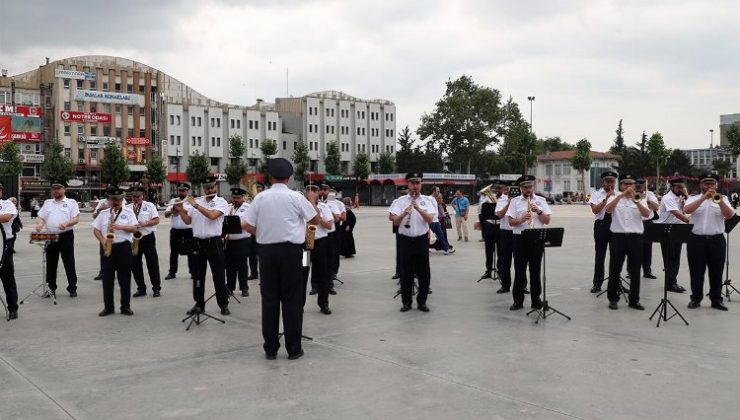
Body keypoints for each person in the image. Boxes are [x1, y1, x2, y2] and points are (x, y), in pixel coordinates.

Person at [245, 158, 320, 360]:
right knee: (292, 300)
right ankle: (294, 349)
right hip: (292, 253)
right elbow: (315, 220)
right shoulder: (296, 197)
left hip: (267, 253)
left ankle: (270, 348)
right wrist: (311, 201)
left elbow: (246, 225)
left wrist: (263, 232)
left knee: (269, 300)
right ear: (288, 177)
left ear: (270, 177)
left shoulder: (260, 198)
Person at [177, 176, 231, 316]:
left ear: (215, 187)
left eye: (212, 187)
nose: (209, 190)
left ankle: (223, 304)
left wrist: (195, 205)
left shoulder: (221, 202)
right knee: (198, 276)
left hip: (214, 242)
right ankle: (199, 304)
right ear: (203, 188)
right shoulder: (198, 201)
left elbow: (212, 215)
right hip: (197, 243)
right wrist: (181, 209)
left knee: (218, 275)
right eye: (207, 188)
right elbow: (188, 221)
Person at [684, 173, 736, 311]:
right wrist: (703, 198)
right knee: (696, 271)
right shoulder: (693, 198)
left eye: (711, 183)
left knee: (716, 272)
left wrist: (718, 201)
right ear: (701, 185)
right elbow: (687, 210)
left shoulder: (723, 198)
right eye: (706, 183)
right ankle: (695, 298)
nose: (708, 186)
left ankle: (716, 300)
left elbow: (730, 215)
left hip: (716, 240)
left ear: (716, 185)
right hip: (696, 239)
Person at [389, 172, 438, 312]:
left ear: (421, 185)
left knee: (424, 273)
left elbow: (430, 220)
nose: (415, 186)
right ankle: (406, 302)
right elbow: (395, 221)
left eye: (417, 183)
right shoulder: (400, 201)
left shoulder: (428, 201)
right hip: (405, 240)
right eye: (412, 183)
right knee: (406, 273)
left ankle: (422, 302)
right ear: (408, 184)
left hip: (421, 240)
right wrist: (405, 212)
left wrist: (418, 209)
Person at [604, 173, 650, 310]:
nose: (628, 186)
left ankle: (634, 300)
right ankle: (613, 299)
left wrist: (635, 200)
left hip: (635, 238)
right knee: (614, 269)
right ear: (621, 185)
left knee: (635, 271)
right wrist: (620, 195)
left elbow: (647, 214)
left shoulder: (640, 198)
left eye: (631, 184)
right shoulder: (613, 197)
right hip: (618, 237)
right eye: (625, 184)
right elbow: (608, 209)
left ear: (635, 185)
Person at [506, 176, 552, 310]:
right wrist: (520, 219)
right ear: (521, 188)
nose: (528, 190)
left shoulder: (541, 201)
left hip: (537, 239)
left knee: (535, 271)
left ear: (533, 187)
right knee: (519, 271)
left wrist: (538, 211)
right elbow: (510, 222)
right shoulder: (514, 201)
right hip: (520, 239)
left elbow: (547, 221)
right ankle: (518, 301)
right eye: (525, 187)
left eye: (530, 187)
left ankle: (536, 300)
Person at [92, 185, 138, 316]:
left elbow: (135, 229)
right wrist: (103, 241)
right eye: (113, 199)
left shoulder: (128, 213)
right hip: (107, 247)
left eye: (118, 199)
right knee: (107, 279)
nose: (116, 201)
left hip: (123, 248)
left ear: (122, 199)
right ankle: (108, 307)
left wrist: (120, 226)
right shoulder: (103, 214)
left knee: (125, 279)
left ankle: (125, 306)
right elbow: (95, 230)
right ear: (109, 200)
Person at [35, 181, 80, 298]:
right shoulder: (48, 203)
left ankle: (72, 287)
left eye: (58, 189)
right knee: (51, 263)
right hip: (50, 236)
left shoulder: (71, 203)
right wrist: (40, 224)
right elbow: (42, 217)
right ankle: (51, 288)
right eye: (54, 189)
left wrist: (67, 223)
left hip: (66, 235)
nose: (55, 191)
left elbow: (76, 219)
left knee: (69, 262)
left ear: (64, 189)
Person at [303, 183, 335, 314]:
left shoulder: (324, 207)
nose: (312, 193)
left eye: (314, 191)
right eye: (309, 191)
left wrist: (318, 216)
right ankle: (300, 304)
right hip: (306, 243)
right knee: (302, 273)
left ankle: (323, 303)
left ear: (318, 193)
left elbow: (329, 225)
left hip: (320, 243)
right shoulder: (300, 206)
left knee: (322, 274)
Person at [128, 185, 162, 298]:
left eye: (138, 196)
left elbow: (157, 220)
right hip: (133, 238)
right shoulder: (127, 208)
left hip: (148, 238)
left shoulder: (150, 206)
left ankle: (156, 288)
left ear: (143, 196)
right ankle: (141, 288)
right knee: (135, 264)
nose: (136, 199)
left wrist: (145, 223)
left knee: (152, 263)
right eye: (134, 197)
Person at [656, 177, 689, 293]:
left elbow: (686, 211)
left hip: (677, 229)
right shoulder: (668, 198)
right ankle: (670, 283)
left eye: (682, 187)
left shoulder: (679, 198)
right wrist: (691, 222)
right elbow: (676, 214)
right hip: (667, 230)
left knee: (676, 258)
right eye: (678, 187)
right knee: (670, 258)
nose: (680, 189)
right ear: (672, 187)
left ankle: (673, 281)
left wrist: (686, 196)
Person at [588, 171, 617, 293]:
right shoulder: (596, 194)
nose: (610, 184)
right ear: (603, 182)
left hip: (616, 225)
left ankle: (616, 283)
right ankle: (597, 283)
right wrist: (607, 198)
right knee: (600, 255)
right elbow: (595, 210)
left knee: (616, 256)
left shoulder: (619, 194)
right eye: (607, 181)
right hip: (601, 225)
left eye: (612, 181)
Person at [164, 183, 195, 280]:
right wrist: (173, 209)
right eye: (180, 190)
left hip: (188, 230)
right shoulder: (173, 200)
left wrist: (181, 208)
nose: (181, 192)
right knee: (174, 252)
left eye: (183, 190)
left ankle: (193, 272)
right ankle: (172, 272)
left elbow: (192, 214)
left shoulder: (191, 201)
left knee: (191, 252)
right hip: (175, 230)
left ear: (187, 191)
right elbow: (166, 214)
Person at [224, 187, 251, 297]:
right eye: (234, 197)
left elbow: (247, 223)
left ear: (243, 198)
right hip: (229, 241)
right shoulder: (228, 207)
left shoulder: (248, 208)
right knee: (229, 266)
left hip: (242, 241)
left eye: (238, 198)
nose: (235, 200)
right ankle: (230, 287)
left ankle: (244, 288)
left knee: (241, 266)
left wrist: (232, 225)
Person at [0, 185, 19, 320]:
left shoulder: (7, 204)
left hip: (4, 245)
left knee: (8, 279)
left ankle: (13, 308)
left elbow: (7, 217)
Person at [478, 181, 502, 279]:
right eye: (496, 189)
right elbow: (481, 213)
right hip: (489, 225)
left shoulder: (505, 199)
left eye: (499, 189)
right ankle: (489, 270)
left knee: (501, 250)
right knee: (488, 249)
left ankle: (500, 269)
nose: (497, 190)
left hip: (500, 226)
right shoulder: (486, 200)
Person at [636, 178, 659, 279]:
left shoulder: (649, 194)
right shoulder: (631, 193)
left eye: (642, 183)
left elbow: (656, 207)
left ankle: (647, 271)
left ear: (645, 184)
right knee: (634, 247)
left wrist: (646, 200)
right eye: (638, 183)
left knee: (647, 248)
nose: (640, 185)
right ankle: (631, 270)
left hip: (647, 223)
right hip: (635, 222)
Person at [325, 187, 346, 290]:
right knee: (309, 259)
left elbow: (342, 218)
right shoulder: (321, 203)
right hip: (313, 234)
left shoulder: (339, 204)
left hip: (334, 231)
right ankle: (314, 283)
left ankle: (333, 274)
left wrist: (331, 212)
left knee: (334, 254)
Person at [390, 185, 408, 280]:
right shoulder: (396, 202)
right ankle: (399, 272)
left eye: (404, 193)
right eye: (401, 193)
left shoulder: (412, 201)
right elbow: (391, 217)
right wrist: (401, 216)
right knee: (400, 251)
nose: (403, 195)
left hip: (412, 230)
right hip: (399, 230)